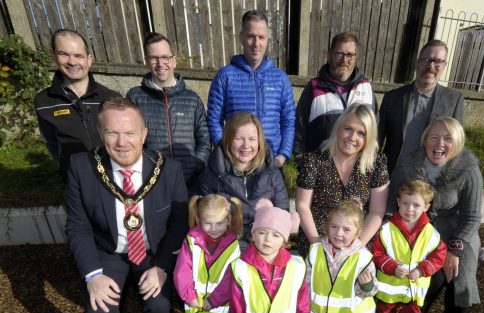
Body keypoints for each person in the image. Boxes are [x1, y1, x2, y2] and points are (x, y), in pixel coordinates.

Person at [66, 97, 188, 313]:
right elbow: (78, 227)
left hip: (152, 251)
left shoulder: (169, 170)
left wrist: (162, 266)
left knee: (160, 305)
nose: (122, 142)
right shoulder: (82, 168)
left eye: (130, 133)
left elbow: (178, 223)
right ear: (100, 133)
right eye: (112, 133)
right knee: (98, 312)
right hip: (108, 252)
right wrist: (92, 275)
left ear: (144, 134)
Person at [388, 117, 482, 313]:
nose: (440, 143)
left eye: (448, 138)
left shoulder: (468, 169)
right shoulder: (410, 163)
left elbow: (472, 216)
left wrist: (454, 250)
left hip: (458, 231)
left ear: (458, 142)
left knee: (460, 275)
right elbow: (393, 203)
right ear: (425, 140)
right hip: (420, 232)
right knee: (431, 276)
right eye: (434, 137)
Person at [296, 102, 389, 257]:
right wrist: (318, 245)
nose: (352, 137)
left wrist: (356, 246)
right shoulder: (314, 160)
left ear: (369, 137)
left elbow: (377, 211)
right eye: (348, 129)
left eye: (361, 133)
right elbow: (302, 205)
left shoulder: (376, 163)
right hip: (316, 241)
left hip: (357, 244)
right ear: (338, 128)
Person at [207, 10, 295, 168]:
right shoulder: (225, 76)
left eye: (261, 37)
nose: (256, 43)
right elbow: (214, 120)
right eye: (250, 36)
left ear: (267, 39)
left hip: (271, 163)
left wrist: (282, 156)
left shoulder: (281, 78)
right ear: (241, 38)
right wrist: (226, 153)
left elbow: (288, 121)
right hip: (236, 164)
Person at [127, 32, 210, 194]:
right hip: (152, 184)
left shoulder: (192, 99)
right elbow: (132, 140)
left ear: (173, 60)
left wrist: (197, 164)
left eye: (165, 57)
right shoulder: (135, 97)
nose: (160, 63)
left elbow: (204, 139)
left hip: (190, 183)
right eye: (154, 58)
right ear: (147, 62)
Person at [373, 180, 447, 313]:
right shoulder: (386, 230)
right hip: (389, 285)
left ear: (426, 207)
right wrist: (391, 267)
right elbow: (377, 253)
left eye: (416, 205)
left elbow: (439, 255)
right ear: (398, 202)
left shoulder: (431, 233)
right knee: (386, 311)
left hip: (415, 287)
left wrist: (421, 270)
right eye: (405, 203)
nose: (409, 209)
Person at [173, 194, 242, 313]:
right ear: (198, 220)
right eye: (207, 223)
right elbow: (182, 271)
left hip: (219, 305)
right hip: (195, 302)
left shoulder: (233, 245)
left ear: (228, 220)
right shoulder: (191, 240)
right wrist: (190, 297)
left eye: (219, 223)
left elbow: (232, 278)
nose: (213, 229)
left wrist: (213, 300)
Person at [35, 29, 120, 180]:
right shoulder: (44, 102)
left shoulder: (111, 98)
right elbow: (52, 144)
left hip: (114, 177)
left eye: (78, 55)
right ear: (53, 55)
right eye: (64, 54)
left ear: (89, 59)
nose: (72, 62)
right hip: (75, 181)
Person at [199, 112, 289, 244]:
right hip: (225, 242)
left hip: (262, 243)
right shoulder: (213, 171)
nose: (246, 145)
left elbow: (282, 211)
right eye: (239, 138)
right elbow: (204, 212)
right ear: (228, 140)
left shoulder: (272, 172)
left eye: (252, 139)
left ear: (260, 141)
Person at [378, 39, 464, 175]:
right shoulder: (392, 98)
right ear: (418, 63)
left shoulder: (454, 100)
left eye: (438, 61)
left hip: (431, 180)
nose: (431, 66)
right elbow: (377, 139)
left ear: (445, 65)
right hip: (392, 176)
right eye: (426, 60)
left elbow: (457, 145)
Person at [294, 32, 376, 159]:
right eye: (339, 54)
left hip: (356, 171)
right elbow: (299, 130)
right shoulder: (314, 87)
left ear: (356, 58)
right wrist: (301, 163)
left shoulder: (366, 88)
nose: (344, 60)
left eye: (349, 55)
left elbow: (374, 132)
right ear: (329, 56)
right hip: (319, 169)